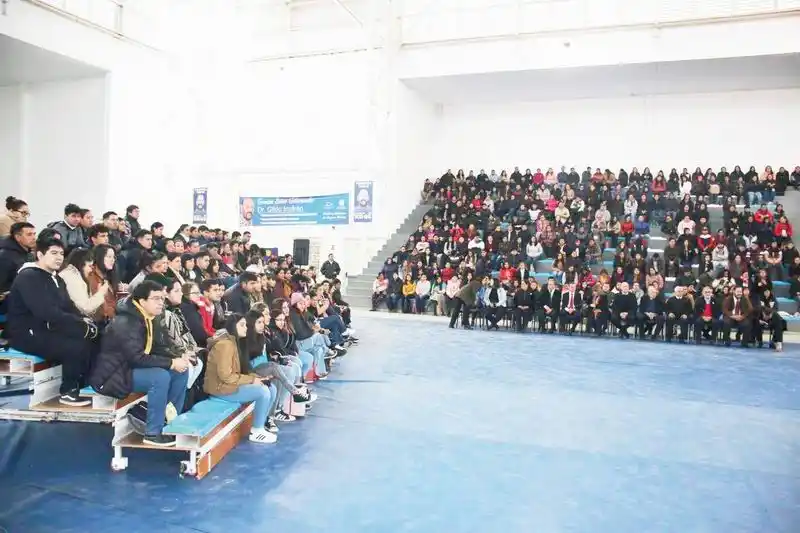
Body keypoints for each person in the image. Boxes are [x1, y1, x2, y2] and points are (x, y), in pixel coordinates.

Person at [90, 281, 191, 446]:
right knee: (160, 377)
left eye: (162, 299)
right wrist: (171, 362)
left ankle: (169, 422)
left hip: (130, 368)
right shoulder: (126, 322)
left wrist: (179, 357)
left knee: (181, 371)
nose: (161, 303)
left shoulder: (147, 316)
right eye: (156, 299)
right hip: (113, 375)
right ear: (142, 301)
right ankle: (152, 433)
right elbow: (136, 357)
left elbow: (157, 347)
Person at [7, 238, 98, 406]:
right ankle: (68, 391)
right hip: (27, 334)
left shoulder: (56, 278)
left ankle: (85, 383)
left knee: (95, 335)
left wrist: (83, 320)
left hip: (49, 329)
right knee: (75, 345)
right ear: (40, 254)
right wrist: (78, 324)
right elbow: (45, 312)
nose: (59, 258)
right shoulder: (29, 277)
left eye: (62, 254)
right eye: (53, 253)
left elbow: (68, 306)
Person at [204, 313, 278, 443]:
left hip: (230, 385)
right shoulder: (225, 345)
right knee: (263, 392)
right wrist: (252, 380)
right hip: (221, 389)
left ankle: (263, 422)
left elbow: (240, 372)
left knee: (270, 387)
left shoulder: (235, 342)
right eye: (242, 325)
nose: (246, 328)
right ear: (233, 327)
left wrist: (258, 378)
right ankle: (257, 431)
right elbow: (226, 376)